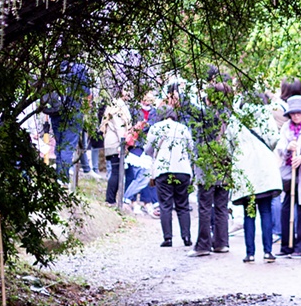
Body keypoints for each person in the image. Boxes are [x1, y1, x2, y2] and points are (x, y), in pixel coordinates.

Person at [229, 96, 283, 262]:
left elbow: (228, 143)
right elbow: (274, 139)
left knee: (249, 213)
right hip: (264, 168)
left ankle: (250, 253)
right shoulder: (266, 115)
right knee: (265, 211)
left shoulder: (235, 119)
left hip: (245, 169)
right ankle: (268, 252)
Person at [189, 73, 234, 256]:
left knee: (205, 206)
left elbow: (197, 140)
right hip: (225, 166)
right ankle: (221, 242)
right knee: (222, 206)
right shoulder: (230, 116)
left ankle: (203, 245)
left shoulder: (205, 115)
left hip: (207, 166)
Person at [145, 104, 195, 247]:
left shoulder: (156, 128)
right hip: (182, 169)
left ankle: (168, 238)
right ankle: (186, 237)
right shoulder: (183, 128)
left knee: (165, 205)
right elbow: (190, 148)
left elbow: (148, 148)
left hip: (163, 169)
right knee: (183, 205)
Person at [277, 93, 301, 257]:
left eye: (299, 112)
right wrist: (288, 148)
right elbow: (280, 147)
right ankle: (286, 245)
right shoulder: (286, 127)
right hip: (289, 175)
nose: (296, 116)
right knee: (286, 209)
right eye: (293, 113)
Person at [100, 91, 133, 206]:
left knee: (118, 172)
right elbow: (120, 127)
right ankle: (110, 199)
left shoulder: (119, 105)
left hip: (116, 142)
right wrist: (123, 143)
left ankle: (112, 199)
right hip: (116, 143)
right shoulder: (117, 106)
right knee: (116, 172)